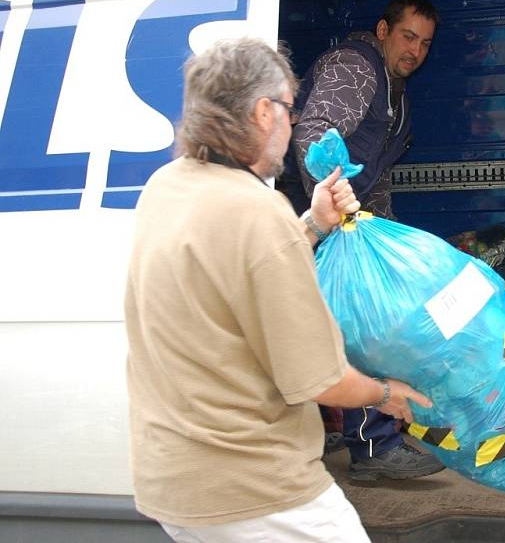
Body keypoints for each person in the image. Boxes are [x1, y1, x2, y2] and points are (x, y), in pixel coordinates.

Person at [124, 37, 434, 543]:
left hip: (174, 486)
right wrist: (386, 394)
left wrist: (312, 222)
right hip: (257, 491)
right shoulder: (256, 210)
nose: (294, 125)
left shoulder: (165, 187)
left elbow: (238, 273)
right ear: (264, 112)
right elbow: (319, 380)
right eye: (291, 109)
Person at [277, 0, 443, 482]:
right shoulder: (356, 66)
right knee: (365, 322)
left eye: (426, 44)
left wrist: (383, 234)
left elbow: (379, 176)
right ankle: (375, 447)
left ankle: (327, 426)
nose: (415, 50)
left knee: (323, 326)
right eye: (408, 36)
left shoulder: (396, 94)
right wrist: (334, 211)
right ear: (383, 31)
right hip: (309, 214)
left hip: (339, 217)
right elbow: (314, 132)